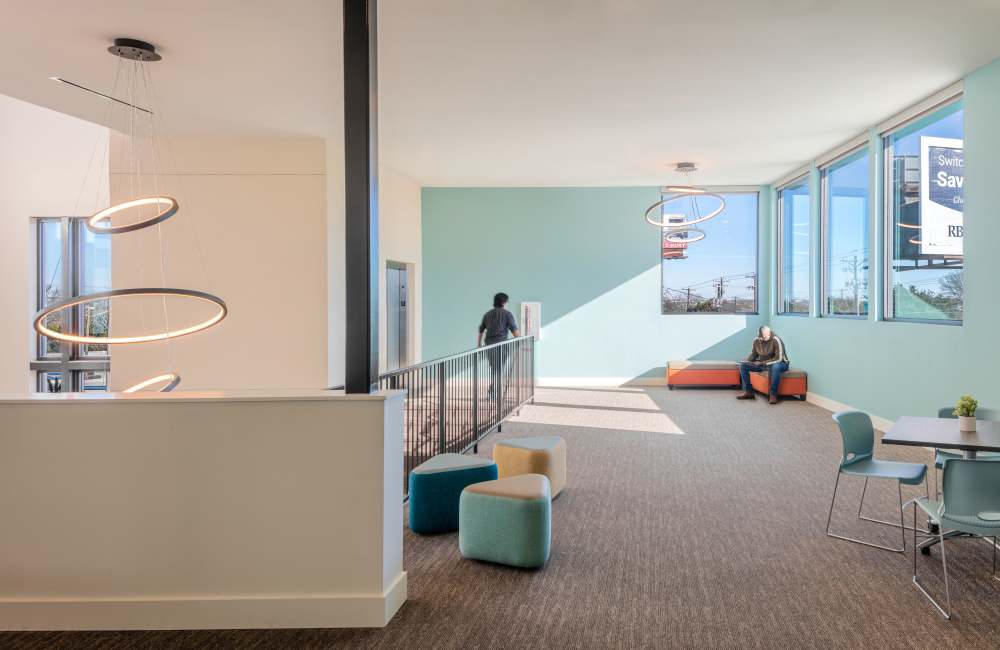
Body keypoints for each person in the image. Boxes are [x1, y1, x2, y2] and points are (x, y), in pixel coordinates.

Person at [478, 292, 521, 400]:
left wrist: (479, 345)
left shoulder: (487, 314)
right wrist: (520, 341)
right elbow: (514, 331)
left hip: (489, 345)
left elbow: (481, 331)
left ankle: (492, 393)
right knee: (498, 370)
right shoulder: (507, 314)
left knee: (495, 369)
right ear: (504, 302)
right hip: (501, 346)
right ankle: (493, 394)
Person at [736, 325, 789, 404]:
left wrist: (763, 363)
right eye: (759, 337)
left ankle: (773, 394)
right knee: (743, 366)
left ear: (769, 334)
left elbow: (778, 358)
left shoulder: (776, 340)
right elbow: (754, 355)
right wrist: (747, 361)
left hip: (780, 363)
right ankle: (749, 392)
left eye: (763, 337)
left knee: (775, 367)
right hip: (764, 364)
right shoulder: (757, 340)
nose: (761, 339)